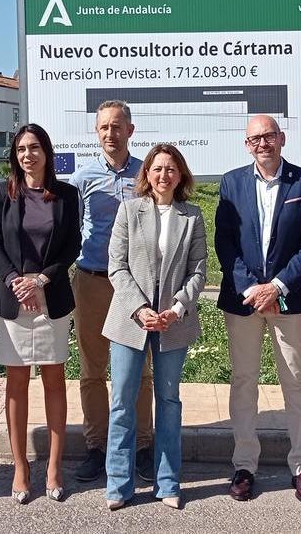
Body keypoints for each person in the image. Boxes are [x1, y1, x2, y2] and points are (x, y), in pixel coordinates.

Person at [215, 114, 301, 504]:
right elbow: (225, 244)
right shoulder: (231, 183)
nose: (262, 143)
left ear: (282, 138)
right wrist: (252, 288)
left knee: (295, 382)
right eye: (255, 138)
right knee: (244, 382)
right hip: (243, 299)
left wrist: (276, 286)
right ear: (247, 145)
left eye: (269, 136)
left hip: (289, 298)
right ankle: (244, 465)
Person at [103, 143, 207, 510]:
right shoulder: (129, 211)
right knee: (122, 403)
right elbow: (116, 266)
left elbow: (199, 270)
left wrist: (177, 309)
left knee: (169, 402)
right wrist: (140, 308)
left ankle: (167, 483)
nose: (164, 175)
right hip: (131, 321)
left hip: (172, 324)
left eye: (171, 169)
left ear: (181, 176)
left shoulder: (192, 216)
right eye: (157, 168)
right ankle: (119, 484)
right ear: (147, 173)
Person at [0, 124, 82, 504]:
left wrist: (40, 279)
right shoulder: (2, 193)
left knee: (54, 379)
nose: (28, 154)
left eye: (35, 147)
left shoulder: (67, 195)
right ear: (15, 155)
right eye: (22, 149)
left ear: (47, 153)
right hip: (12, 301)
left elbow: (72, 245)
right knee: (17, 382)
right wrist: (14, 280)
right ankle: (21, 467)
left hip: (51, 298)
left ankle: (54, 468)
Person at [69, 100, 155, 483]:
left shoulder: (146, 175)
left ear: (130, 131)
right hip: (92, 282)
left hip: (137, 287)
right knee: (92, 370)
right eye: (104, 127)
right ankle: (96, 446)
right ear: (96, 132)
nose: (110, 133)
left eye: (117, 126)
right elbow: (67, 231)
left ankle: (143, 446)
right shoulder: (82, 179)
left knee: (142, 370)